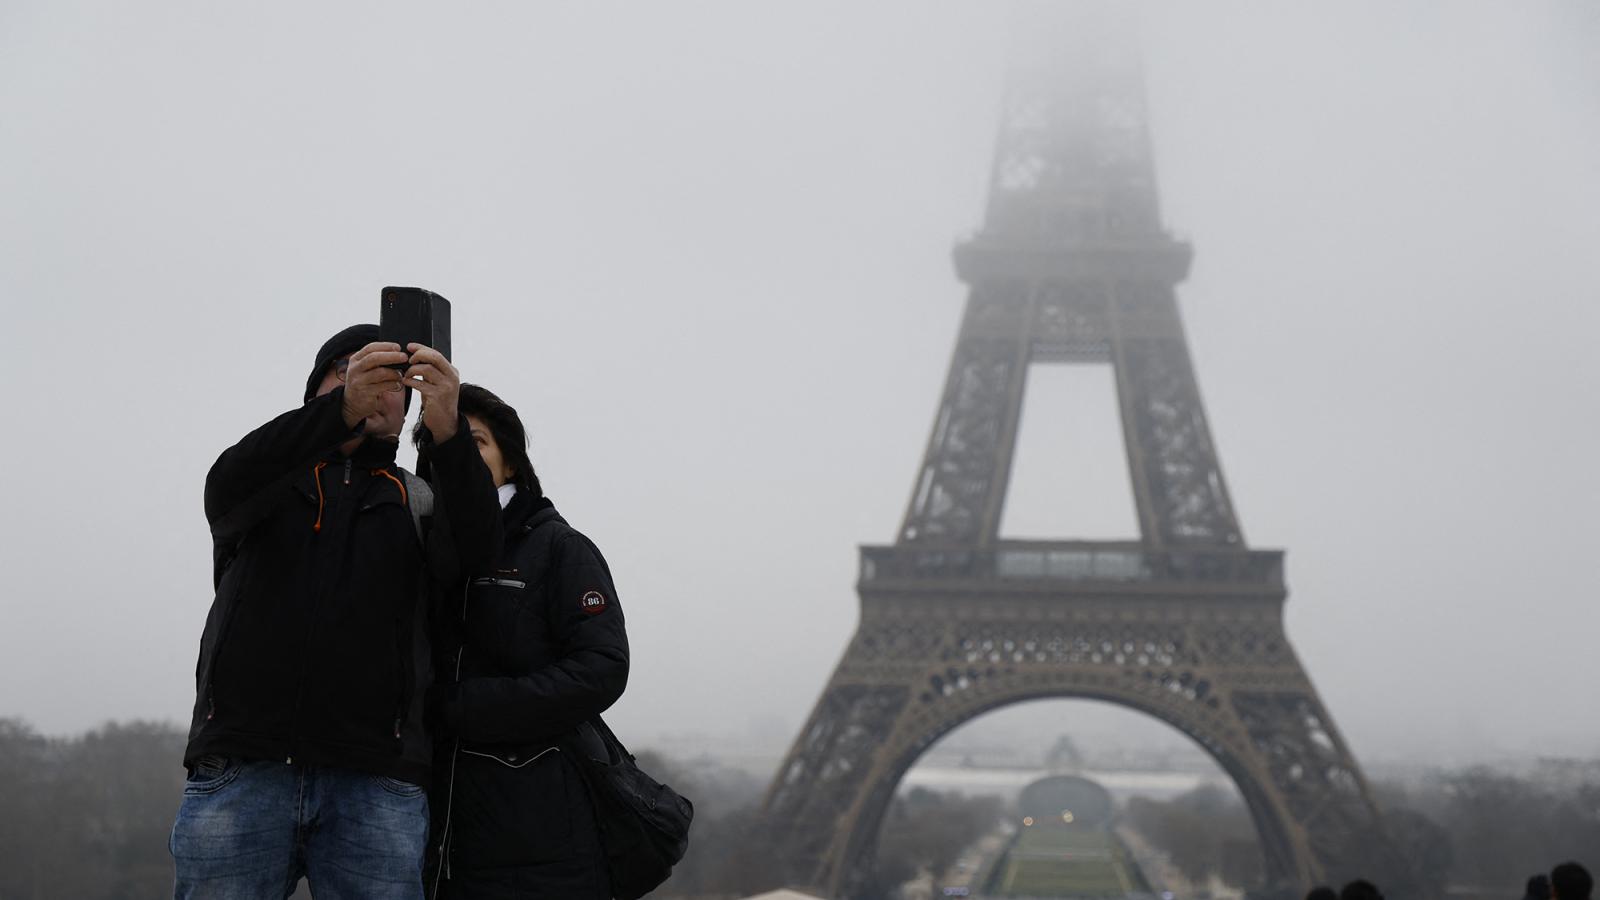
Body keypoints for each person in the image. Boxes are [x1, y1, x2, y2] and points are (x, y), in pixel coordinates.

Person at [171, 325, 502, 899]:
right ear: (319, 391)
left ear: (406, 412)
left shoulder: (419, 498)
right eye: (347, 368)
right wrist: (338, 414)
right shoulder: (268, 479)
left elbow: (479, 554)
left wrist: (449, 432)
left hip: (377, 780)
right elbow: (222, 486)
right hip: (244, 765)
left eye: (395, 378)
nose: (370, 381)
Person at [421, 384, 630, 899]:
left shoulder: (559, 548)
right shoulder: (412, 545)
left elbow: (601, 666)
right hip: (432, 817)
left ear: (511, 464)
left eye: (476, 442)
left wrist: (465, 707)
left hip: (532, 824)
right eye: (439, 442)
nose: (456, 455)